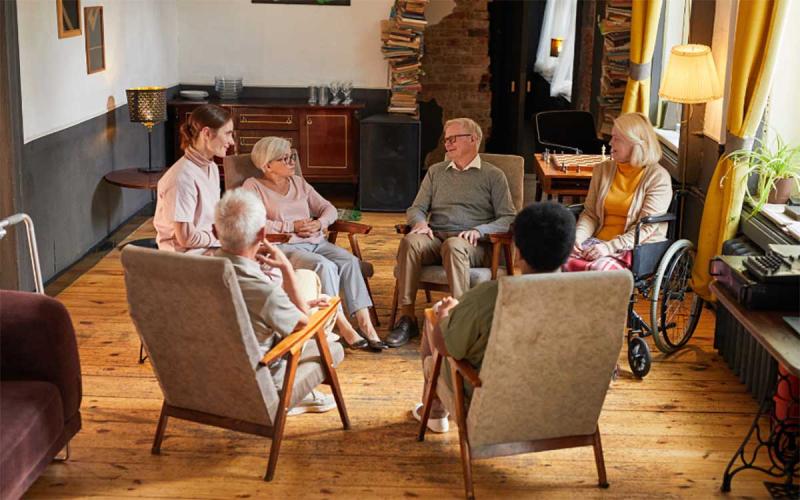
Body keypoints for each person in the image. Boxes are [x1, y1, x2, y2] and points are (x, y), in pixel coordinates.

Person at [413, 202, 576, 432]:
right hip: (560, 408)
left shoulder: (490, 296)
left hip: (491, 408)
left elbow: (446, 347)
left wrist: (443, 316)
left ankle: (434, 413)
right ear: (569, 250)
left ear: (518, 251)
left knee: (434, 318)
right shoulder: (587, 298)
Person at [243, 136, 387, 351]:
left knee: (350, 262)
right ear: (267, 165)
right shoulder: (253, 187)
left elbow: (328, 208)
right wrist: (291, 226)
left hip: (316, 242)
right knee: (324, 265)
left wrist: (320, 223)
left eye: (292, 157)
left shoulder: (299, 183)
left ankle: (366, 325)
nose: (292, 162)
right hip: (284, 246)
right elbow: (253, 222)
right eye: (285, 159)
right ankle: (342, 324)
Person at [388, 117, 516, 348]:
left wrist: (479, 230)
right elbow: (416, 208)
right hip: (436, 238)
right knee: (411, 241)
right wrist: (420, 223)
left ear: (473, 140)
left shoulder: (493, 175)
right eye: (446, 139)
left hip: (473, 245)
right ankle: (407, 317)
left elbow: (508, 217)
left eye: (453, 139)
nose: (447, 144)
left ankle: (459, 318)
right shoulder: (436, 172)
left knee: (454, 245)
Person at [213, 188, 339, 415]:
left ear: (214, 230)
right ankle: (298, 396)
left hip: (210, 375)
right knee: (331, 338)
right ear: (262, 234)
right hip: (265, 383)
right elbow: (302, 324)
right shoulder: (265, 291)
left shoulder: (197, 272)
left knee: (306, 282)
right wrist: (287, 269)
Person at [564, 112, 672, 272]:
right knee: (555, 259)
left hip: (633, 249)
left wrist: (609, 247)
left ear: (635, 144)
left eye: (616, 139)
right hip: (597, 242)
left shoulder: (658, 178)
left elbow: (646, 229)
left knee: (598, 270)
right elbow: (590, 214)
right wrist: (578, 238)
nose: (610, 142)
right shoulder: (602, 170)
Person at [154, 104, 233, 254]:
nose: (232, 141)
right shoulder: (182, 178)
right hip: (184, 257)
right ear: (207, 133)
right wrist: (222, 237)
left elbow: (210, 220)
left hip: (208, 247)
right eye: (227, 134)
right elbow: (186, 239)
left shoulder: (212, 167)